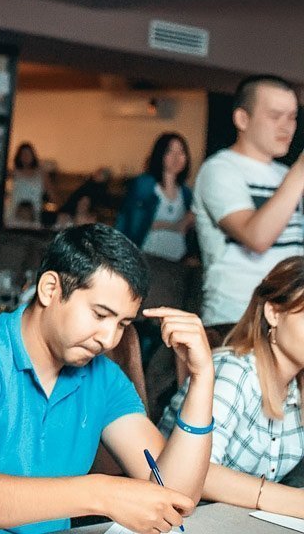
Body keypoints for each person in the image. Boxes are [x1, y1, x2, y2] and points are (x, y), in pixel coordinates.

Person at [0, 224, 215, 534]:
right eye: (100, 314)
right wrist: (100, 494)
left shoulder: (103, 376)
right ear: (50, 289)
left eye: (122, 324)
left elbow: (172, 494)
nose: (109, 339)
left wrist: (201, 379)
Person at [159, 256, 304, 518]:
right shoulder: (233, 371)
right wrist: (290, 501)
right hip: (180, 518)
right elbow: (195, 474)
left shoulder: (297, 389)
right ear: (274, 313)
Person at [193, 75, 304, 328]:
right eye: (275, 116)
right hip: (234, 319)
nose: (287, 127)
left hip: (285, 321)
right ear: (242, 119)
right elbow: (257, 237)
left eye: (293, 117)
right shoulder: (219, 169)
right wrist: (299, 173)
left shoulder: (286, 175)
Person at [116, 132, 195, 262]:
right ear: (160, 155)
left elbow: (187, 228)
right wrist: (175, 226)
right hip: (147, 257)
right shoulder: (143, 185)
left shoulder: (186, 192)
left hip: (177, 261)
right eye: (170, 151)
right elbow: (133, 222)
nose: (176, 157)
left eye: (181, 152)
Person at [8, 143, 49, 226]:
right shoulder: (13, 172)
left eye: (28, 154)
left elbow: (51, 192)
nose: (26, 157)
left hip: (34, 213)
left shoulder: (41, 174)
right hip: (15, 212)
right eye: (23, 154)